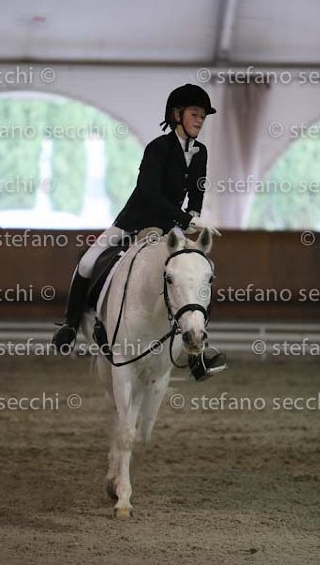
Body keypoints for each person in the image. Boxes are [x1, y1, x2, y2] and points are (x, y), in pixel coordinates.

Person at [52, 84, 227, 378]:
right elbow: (149, 194)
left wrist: (194, 215)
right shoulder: (157, 148)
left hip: (170, 227)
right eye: (195, 114)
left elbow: (197, 189)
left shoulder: (201, 152)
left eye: (202, 117)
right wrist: (185, 218)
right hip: (134, 220)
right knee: (88, 262)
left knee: (195, 272)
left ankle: (198, 353)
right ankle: (69, 326)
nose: (200, 120)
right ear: (177, 115)